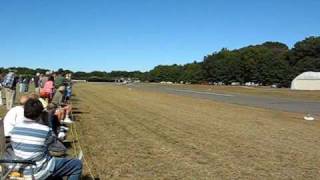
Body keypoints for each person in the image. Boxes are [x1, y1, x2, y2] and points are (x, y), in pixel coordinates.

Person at [10, 99, 82, 179]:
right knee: (77, 165)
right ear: (40, 114)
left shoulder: (14, 129)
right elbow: (58, 149)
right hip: (38, 170)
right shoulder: (45, 130)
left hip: (19, 168)